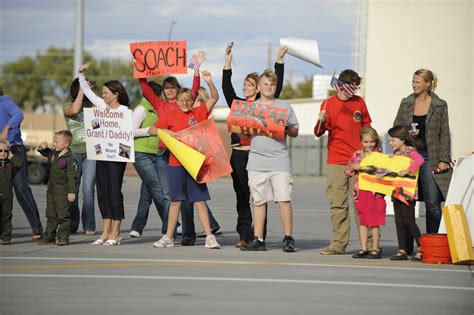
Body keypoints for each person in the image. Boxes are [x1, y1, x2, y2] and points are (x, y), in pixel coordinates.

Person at [137, 52, 220, 246]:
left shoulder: (198, 112)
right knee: (175, 200)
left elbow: (214, 97)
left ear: (192, 99)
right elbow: (153, 128)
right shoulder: (170, 113)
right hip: (174, 162)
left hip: (193, 163)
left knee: (199, 200)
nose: (185, 102)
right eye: (182, 100)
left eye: (188, 100)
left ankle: (209, 236)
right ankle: (168, 236)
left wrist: (208, 80)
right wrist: (166, 132)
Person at [222, 45, 287, 248]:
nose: (246, 88)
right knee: (242, 197)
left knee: (260, 198)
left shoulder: (264, 106)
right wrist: (227, 63)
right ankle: (244, 235)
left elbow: (279, 84)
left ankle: (259, 236)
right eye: (245, 85)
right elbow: (226, 87)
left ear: (258, 88)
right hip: (239, 156)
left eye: (250, 85)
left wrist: (279, 61)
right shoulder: (238, 104)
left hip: (258, 155)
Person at [240, 70, 299, 252]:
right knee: (258, 201)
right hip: (257, 161)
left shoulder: (284, 107)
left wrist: (286, 127)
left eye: (272, 84)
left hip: (279, 160)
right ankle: (258, 239)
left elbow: (295, 131)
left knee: (284, 199)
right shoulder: (251, 108)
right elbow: (243, 134)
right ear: (259, 87)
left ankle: (288, 238)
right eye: (265, 84)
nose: (269, 87)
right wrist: (243, 125)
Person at [314, 69, 372, 255]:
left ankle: (370, 245)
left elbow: (368, 129)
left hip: (358, 160)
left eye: (355, 88)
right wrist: (321, 121)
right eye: (349, 88)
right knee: (338, 204)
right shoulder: (328, 104)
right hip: (337, 160)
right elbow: (318, 132)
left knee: (362, 204)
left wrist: (369, 154)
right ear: (340, 86)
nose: (352, 92)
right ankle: (338, 244)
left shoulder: (359, 103)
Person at [393, 69, 452, 234]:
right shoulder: (406, 103)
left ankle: (434, 242)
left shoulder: (439, 105)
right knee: (405, 201)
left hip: (429, 158)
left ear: (428, 84)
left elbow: (444, 133)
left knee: (432, 203)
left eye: (418, 82)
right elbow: (396, 128)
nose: (414, 85)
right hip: (409, 157)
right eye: (413, 81)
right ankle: (407, 248)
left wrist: (444, 159)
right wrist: (407, 134)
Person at [78, 62, 130, 246]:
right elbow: (87, 91)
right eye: (103, 92)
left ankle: (116, 233)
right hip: (101, 154)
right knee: (102, 193)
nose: (103, 95)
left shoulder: (125, 112)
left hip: (117, 157)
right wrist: (81, 74)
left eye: (106, 92)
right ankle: (105, 232)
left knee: (115, 192)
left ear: (116, 94)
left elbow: (129, 134)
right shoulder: (101, 106)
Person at [0, 86, 44, 240]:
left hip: (13, 150)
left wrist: (7, 126)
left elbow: (18, 114)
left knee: (21, 189)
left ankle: (37, 228)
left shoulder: (5, 102)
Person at [129, 81, 170, 238]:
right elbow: (130, 131)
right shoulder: (142, 109)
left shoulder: (159, 110)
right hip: (142, 153)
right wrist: (149, 131)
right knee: (157, 188)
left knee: (147, 191)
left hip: (157, 154)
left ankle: (137, 227)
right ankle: (171, 225)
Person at [345, 127, 386, 259]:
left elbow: (385, 171)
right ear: (361, 142)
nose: (369, 145)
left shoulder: (380, 155)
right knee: (362, 221)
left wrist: (362, 167)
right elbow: (347, 171)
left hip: (375, 192)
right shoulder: (357, 154)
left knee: (374, 222)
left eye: (372, 142)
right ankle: (363, 248)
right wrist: (352, 167)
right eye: (366, 142)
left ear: (376, 142)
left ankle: (375, 248)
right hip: (360, 192)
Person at [63, 78, 96, 235]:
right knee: (72, 189)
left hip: (92, 152)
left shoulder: (93, 106)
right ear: (77, 88)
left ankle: (88, 224)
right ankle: (72, 223)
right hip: (74, 151)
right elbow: (75, 111)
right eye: (84, 86)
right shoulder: (67, 105)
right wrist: (83, 90)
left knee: (88, 187)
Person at [387, 126, 424, 261]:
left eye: (393, 140)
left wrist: (408, 170)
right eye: (390, 141)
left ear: (403, 140)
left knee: (409, 220)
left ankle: (422, 247)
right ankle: (402, 249)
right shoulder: (396, 153)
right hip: (396, 191)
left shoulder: (410, 151)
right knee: (399, 221)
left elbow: (420, 160)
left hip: (408, 193)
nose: (390, 143)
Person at [36, 130, 77, 246]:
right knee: (51, 213)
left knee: (63, 215)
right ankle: (49, 236)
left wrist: (72, 192)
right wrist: (42, 147)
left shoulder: (70, 159)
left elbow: (72, 176)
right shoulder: (54, 154)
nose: (54, 144)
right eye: (54, 141)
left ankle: (63, 237)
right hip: (51, 190)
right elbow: (44, 152)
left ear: (66, 145)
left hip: (63, 191)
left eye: (57, 142)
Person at [0, 140, 22, 245]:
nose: (3, 153)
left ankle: (6, 237)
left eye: (6, 151)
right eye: (0, 150)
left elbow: (20, 163)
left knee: (6, 215)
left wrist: (11, 156)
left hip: (7, 194)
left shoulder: (10, 164)